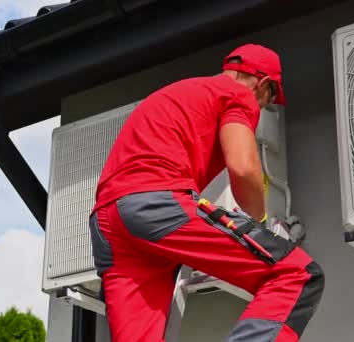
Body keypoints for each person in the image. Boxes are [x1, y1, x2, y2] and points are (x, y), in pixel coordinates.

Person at [88, 43, 325, 342]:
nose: (262, 107)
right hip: (156, 205)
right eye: (269, 99)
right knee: (298, 274)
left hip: (108, 224)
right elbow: (243, 167)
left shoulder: (179, 91)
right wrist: (259, 224)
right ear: (263, 84)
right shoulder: (238, 94)